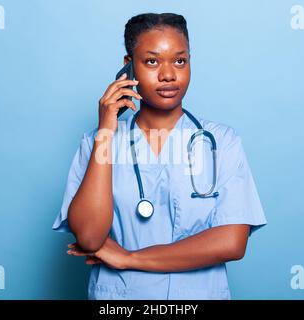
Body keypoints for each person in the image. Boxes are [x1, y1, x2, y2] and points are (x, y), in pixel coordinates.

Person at [52, 12, 267, 300]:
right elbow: (90, 238)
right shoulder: (97, 142)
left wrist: (129, 258)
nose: (168, 74)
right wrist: (106, 129)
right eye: (152, 61)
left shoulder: (221, 142)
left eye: (180, 60)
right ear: (128, 68)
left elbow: (231, 243)